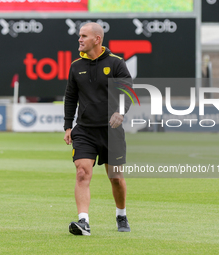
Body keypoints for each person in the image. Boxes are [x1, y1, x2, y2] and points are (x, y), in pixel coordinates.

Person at [63, 22, 132, 236]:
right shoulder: (75, 66)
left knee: (116, 178)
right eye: (79, 36)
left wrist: (120, 112)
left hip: (111, 131)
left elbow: (128, 92)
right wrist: (68, 125)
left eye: (84, 36)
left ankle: (121, 214)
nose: (79, 39)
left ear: (97, 39)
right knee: (82, 173)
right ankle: (84, 222)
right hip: (84, 130)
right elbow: (71, 97)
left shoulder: (116, 63)